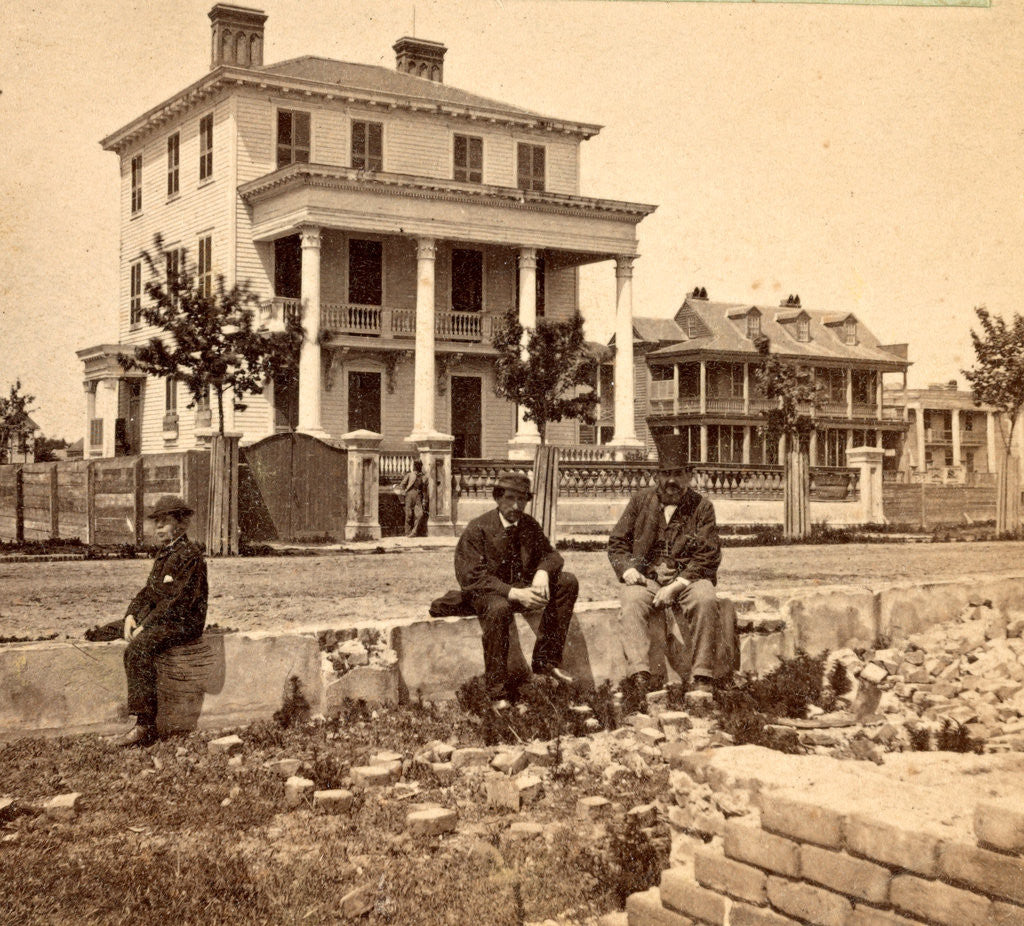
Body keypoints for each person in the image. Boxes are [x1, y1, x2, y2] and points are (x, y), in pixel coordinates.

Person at [607, 437, 736, 712]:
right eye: (666, 474)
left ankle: (702, 676)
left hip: (687, 578)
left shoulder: (702, 507)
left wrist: (676, 586)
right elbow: (617, 542)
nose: (671, 481)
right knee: (631, 601)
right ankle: (640, 675)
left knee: (706, 599)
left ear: (689, 476)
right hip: (647, 578)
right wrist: (628, 569)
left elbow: (709, 554)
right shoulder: (640, 502)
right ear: (657, 476)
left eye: (678, 474)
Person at [455, 471, 578, 710]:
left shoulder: (529, 525)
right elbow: (470, 576)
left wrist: (543, 570)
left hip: (520, 591)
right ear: (498, 498)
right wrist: (513, 592)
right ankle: (498, 692)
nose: (516, 505)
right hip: (486, 594)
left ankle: (546, 661)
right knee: (499, 609)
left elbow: (552, 555)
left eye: (522, 499)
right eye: (510, 498)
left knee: (567, 581)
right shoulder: (478, 528)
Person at [106, 495, 208, 747]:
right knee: (113, 629)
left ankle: (145, 725)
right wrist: (131, 615)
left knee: (138, 649)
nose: (158, 527)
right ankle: (117, 626)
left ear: (181, 524)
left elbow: (178, 601)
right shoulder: (166, 553)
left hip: (184, 622)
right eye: (157, 522)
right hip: (166, 617)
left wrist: (146, 625)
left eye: (165, 522)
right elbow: (149, 591)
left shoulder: (190, 555)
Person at [397, 460, 427, 537]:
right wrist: (403, 493)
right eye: (416, 465)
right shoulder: (410, 475)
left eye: (419, 465)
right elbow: (402, 485)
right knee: (408, 514)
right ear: (414, 466)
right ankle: (407, 532)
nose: (418, 467)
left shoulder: (423, 476)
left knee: (420, 514)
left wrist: (424, 500)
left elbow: (424, 489)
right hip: (409, 494)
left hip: (418, 495)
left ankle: (414, 532)